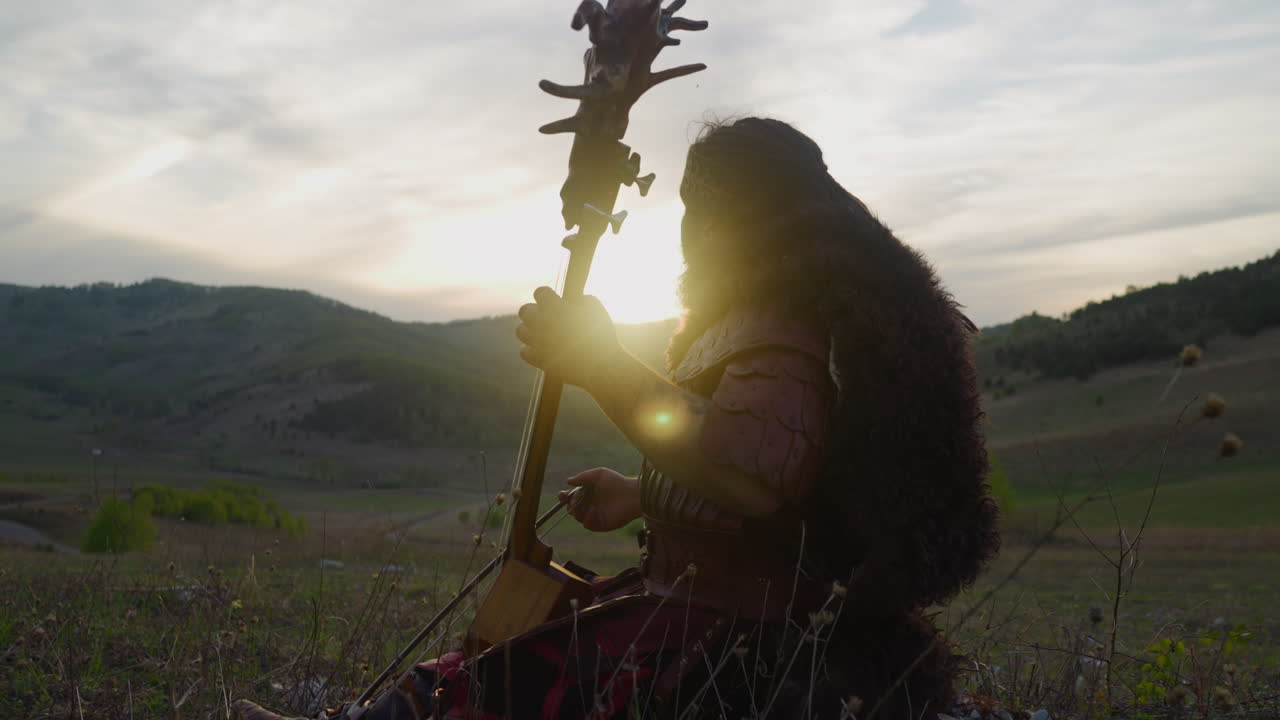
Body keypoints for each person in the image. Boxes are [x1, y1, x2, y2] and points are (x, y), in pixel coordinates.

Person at [236, 117, 1000, 720]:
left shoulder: (786, 337)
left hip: (727, 630)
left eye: (704, 211)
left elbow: (756, 478)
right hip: (682, 598)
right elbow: (776, 490)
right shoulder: (760, 321)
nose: (690, 231)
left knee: (508, 681)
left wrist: (603, 364)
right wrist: (642, 493)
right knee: (488, 662)